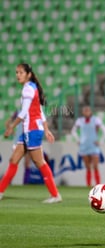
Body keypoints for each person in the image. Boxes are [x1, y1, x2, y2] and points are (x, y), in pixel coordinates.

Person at [0, 63, 61, 203]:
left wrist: (11, 126)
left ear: (28, 74)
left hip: (32, 130)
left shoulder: (27, 89)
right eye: (16, 72)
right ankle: (0, 191)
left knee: (39, 162)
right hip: (31, 130)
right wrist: (46, 129)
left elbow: (23, 112)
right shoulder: (33, 88)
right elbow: (41, 113)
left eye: (21, 72)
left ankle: (55, 195)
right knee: (13, 160)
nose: (18, 75)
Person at [71, 106, 105, 187]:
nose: (87, 112)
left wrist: (101, 141)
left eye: (88, 110)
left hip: (94, 146)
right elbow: (73, 131)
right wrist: (78, 140)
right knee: (88, 167)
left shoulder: (96, 120)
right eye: (85, 110)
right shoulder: (80, 120)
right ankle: (88, 185)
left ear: (90, 112)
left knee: (95, 166)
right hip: (84, 146)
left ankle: (98, 186)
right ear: (83, 112)